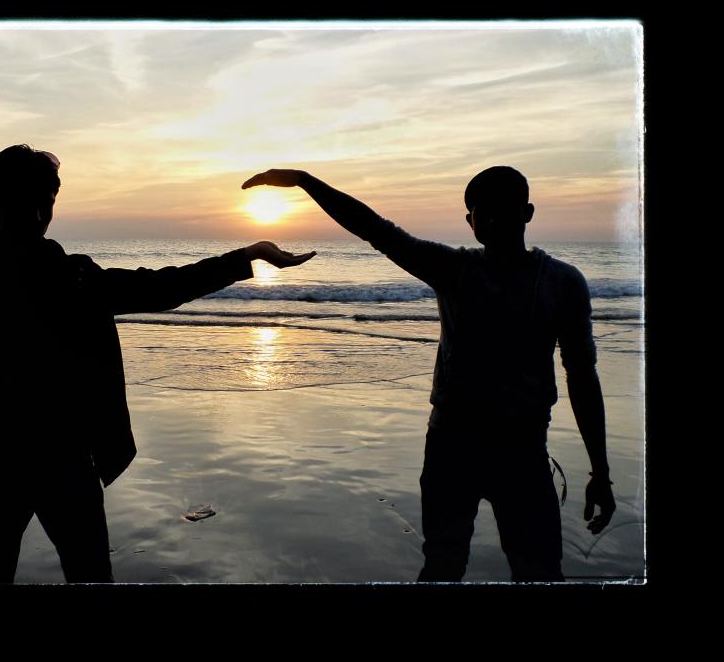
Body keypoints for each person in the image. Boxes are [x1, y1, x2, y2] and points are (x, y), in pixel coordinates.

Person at [0, 144, 315, 583]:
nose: (37, 213)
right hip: (12, 468)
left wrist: (244, 257)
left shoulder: (47, 277)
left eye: (46, 199)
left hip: (38, 465)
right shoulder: (52, 278)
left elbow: (160, 289)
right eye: (27, 199)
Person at [242, 166, 615, 582]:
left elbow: (583, 377)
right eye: (481, 212)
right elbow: (376, 230)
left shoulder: (561, 282)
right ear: (471, 222)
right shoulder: (454, 269)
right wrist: (306, 182)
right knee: (443, 564)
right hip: (452, 446)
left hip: (523, 451)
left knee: (538, 570)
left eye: (500, 211)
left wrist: (600, 471)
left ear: (527, 213)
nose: (490, 220)